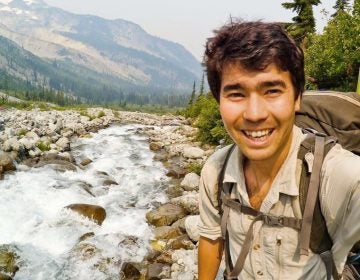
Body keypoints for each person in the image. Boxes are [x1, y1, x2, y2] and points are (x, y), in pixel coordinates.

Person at [197, 21, 360, 279]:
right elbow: (211, 238)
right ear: (219, 102)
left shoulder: (332, 174)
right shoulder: (216, 171)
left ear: (297, 98)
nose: (254, 114)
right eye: (236, 94)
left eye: (272, 90)